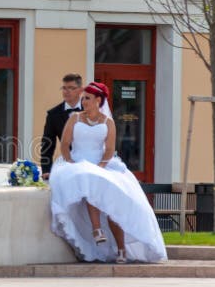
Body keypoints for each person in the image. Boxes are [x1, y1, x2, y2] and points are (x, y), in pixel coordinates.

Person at [48, 82, 167, 264]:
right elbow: (65, 144)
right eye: (83, 98)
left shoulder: (108, 122)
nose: (83, 102)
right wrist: (70, 161)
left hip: (101, 163)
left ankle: (121, 249)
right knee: (88, 180)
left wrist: (102, 165)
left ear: (98, 100)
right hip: (78, 162)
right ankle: (97, 229)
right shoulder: (75, 118)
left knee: (112, 203)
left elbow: (109, 148)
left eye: (87, 98)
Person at [41, 73, 83, 180]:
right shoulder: (53, 114)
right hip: (67, 164)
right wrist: (46, 170)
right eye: (64, 88)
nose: (66, 91)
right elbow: (47, 144)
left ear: (80, 90)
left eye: (71, 88)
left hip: (91, 162)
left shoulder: (90, 109)